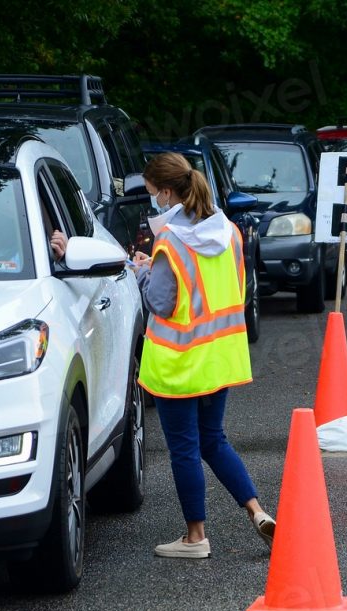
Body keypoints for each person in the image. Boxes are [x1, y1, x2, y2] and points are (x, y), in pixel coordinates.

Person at [132, 152, 275, 559]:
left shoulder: (170, 240)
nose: (151, 202)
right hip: (220, 358)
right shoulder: (229, 231)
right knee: (213, 440)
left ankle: (195, 537)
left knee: (184, 448)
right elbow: (236, 289)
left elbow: (160, 302)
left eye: (151, 194)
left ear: (165, 192)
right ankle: (257, 511)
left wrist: (140, 270)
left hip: (179, 363)